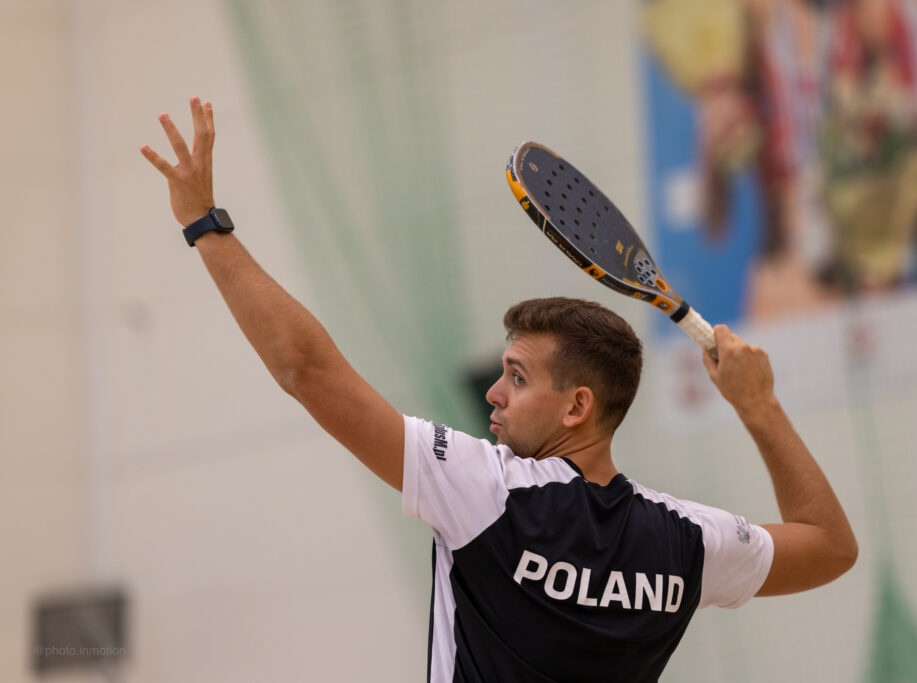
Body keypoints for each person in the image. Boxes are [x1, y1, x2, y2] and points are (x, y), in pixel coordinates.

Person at [142, 97, 857, 682]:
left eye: (517, 376)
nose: (493, 392)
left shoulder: (487, 489)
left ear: (577, 406)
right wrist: (758, 406)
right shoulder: (684, 542)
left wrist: (206, 225)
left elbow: (306, 368)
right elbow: (830, 546)